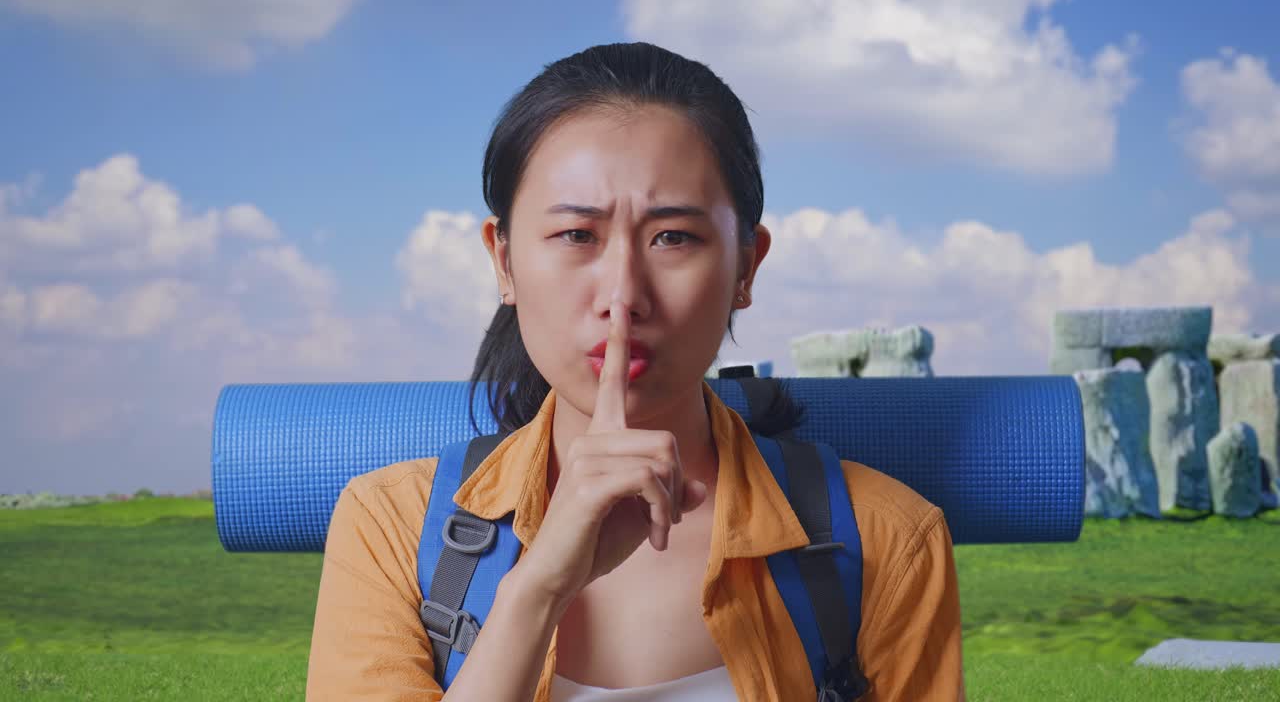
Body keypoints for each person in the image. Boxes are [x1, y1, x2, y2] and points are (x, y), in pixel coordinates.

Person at [306, 41, 965, 701]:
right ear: (503, 262)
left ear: (746, 267)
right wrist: (537, 591)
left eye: (672, 237)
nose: (623, 294)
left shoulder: (890, 539)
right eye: (577, 236)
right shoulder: (388, 525)